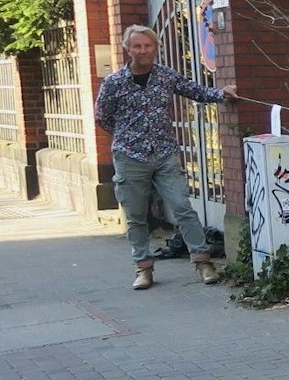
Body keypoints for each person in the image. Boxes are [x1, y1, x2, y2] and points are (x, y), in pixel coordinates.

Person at [94, 24, 239, 290]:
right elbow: (102, 117)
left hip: (164, 153)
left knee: (182, 206)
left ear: (155, 48)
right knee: (136, 215)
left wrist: (222, 93)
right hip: (129, 156)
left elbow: (195, 91)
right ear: (128, 49)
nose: (143, 50)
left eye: (148, 45)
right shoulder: (114, 83)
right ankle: (143, 268)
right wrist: (128, 136)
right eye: (137, 46)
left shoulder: (165, 76)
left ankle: (203, 262)